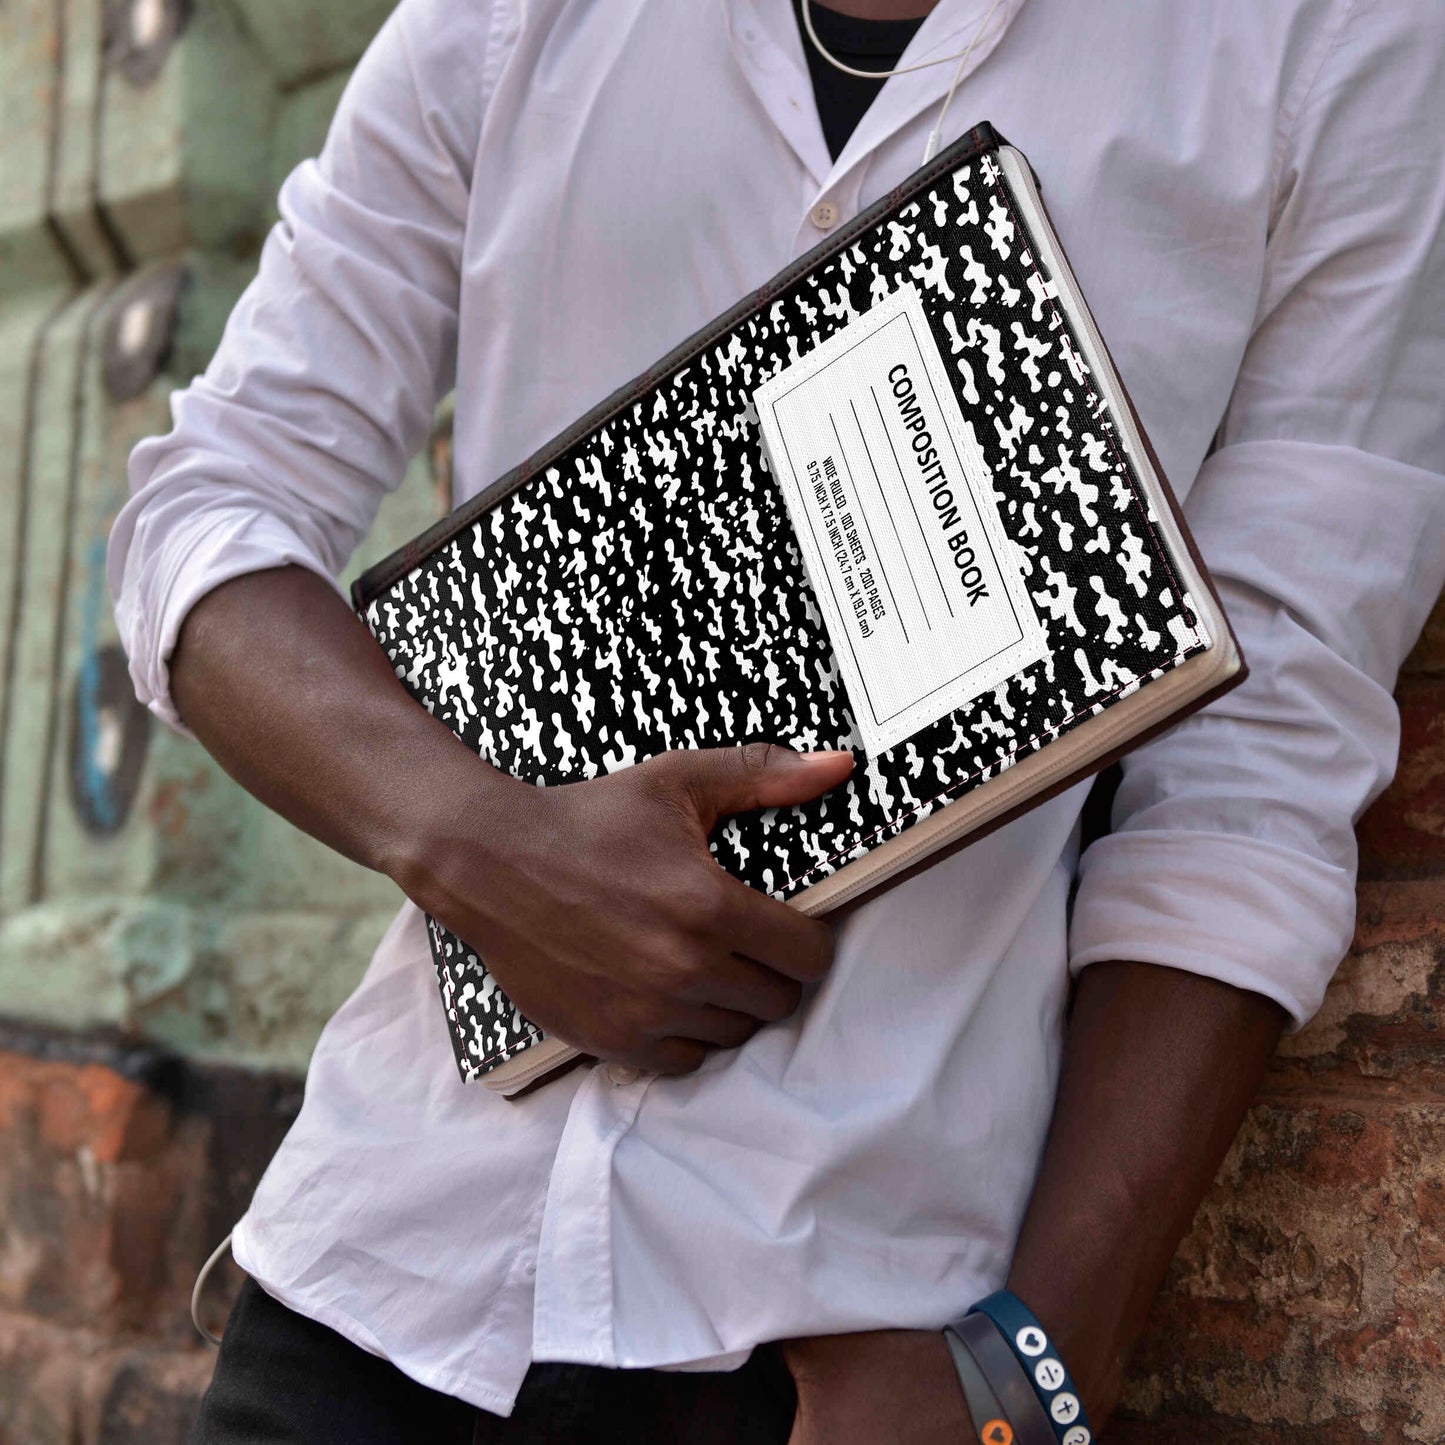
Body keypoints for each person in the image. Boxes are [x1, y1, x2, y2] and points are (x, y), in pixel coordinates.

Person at [108, 0, 1445, 1440]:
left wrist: (1038, 1370)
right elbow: (209, 505)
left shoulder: (1331, 39)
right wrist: (480, 844)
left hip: (832, 1342)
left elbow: (1261, 761)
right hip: (373, 1283)